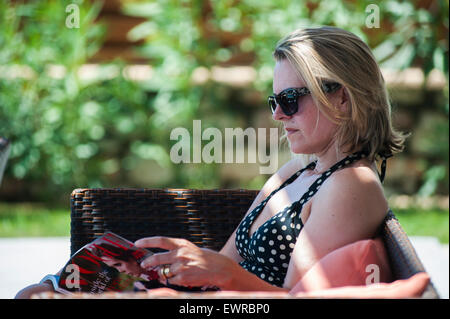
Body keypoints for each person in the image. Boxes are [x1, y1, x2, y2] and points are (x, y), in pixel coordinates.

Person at [15, 26, 407, 298]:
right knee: (38, 291)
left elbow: (292, 297)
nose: (277, 116)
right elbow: (225, 263)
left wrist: (219, 274)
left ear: (342, 97)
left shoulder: (351, 184)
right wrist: (163, 267)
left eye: (290, 100)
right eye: (275, 102)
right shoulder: (299, 171)